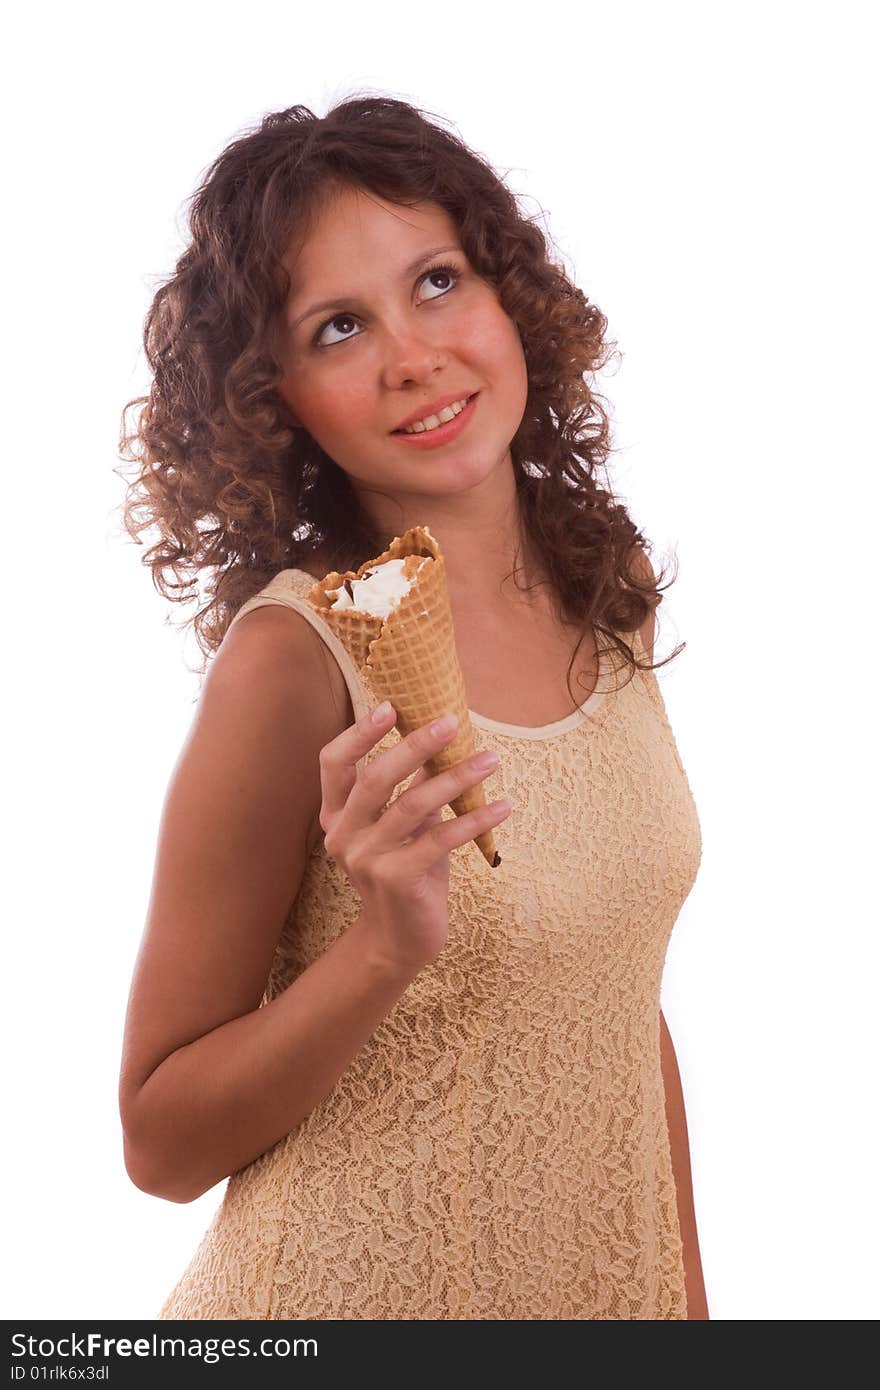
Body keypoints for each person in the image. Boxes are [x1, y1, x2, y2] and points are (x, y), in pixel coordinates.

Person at [116, 95, 708, 1320]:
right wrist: (383, 946)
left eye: (436, 282)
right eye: (338, 327)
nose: (411, 356)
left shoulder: (611, 589)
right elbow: (159, 1144)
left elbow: (616, 1004)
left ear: (508, 297)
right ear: (272, 398)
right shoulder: (295, 662)